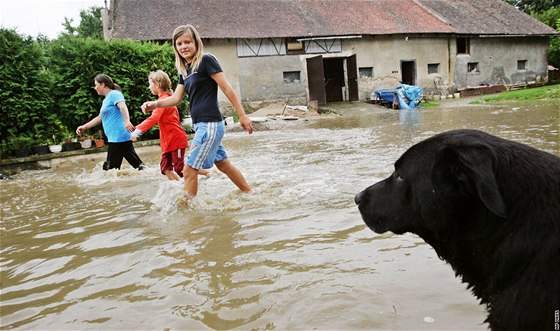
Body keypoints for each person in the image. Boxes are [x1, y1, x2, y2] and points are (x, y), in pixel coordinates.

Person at [141, 24, 253, 203]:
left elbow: (227, 88)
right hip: (202, 125)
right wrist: (155, 104)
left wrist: (242, 115)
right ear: (175, 47)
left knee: (189, 169)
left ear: (196, 42)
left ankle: (187, 212)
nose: (183, 46)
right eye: (179, 44)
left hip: (210, 125)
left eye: (187, 42)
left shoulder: (206, 60)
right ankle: (250, 194)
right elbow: (176, 98)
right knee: (223, 165)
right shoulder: (184, 70)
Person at [131, 70, 211, 180]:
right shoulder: (164, 100)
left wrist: (137, 131)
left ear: (158, 85)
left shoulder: (164, 100)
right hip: (168, 142)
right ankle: (179, 186)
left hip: (175, 140)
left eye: (150, 84)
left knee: (180, 168)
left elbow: (154, 118)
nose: (149, 87)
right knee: (165, 169)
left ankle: (208, 172)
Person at [76, 74, 145, 171]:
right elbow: (100, 117)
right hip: (119, 137)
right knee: (138, 166)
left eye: (96, 85)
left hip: (118, 137)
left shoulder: (114, 94)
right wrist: (85, 127)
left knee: (110, 170)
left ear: (103, 84)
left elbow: (123, 106)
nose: (95, 88)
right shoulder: (107, 99)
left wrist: (126, 121)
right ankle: (150, 174)